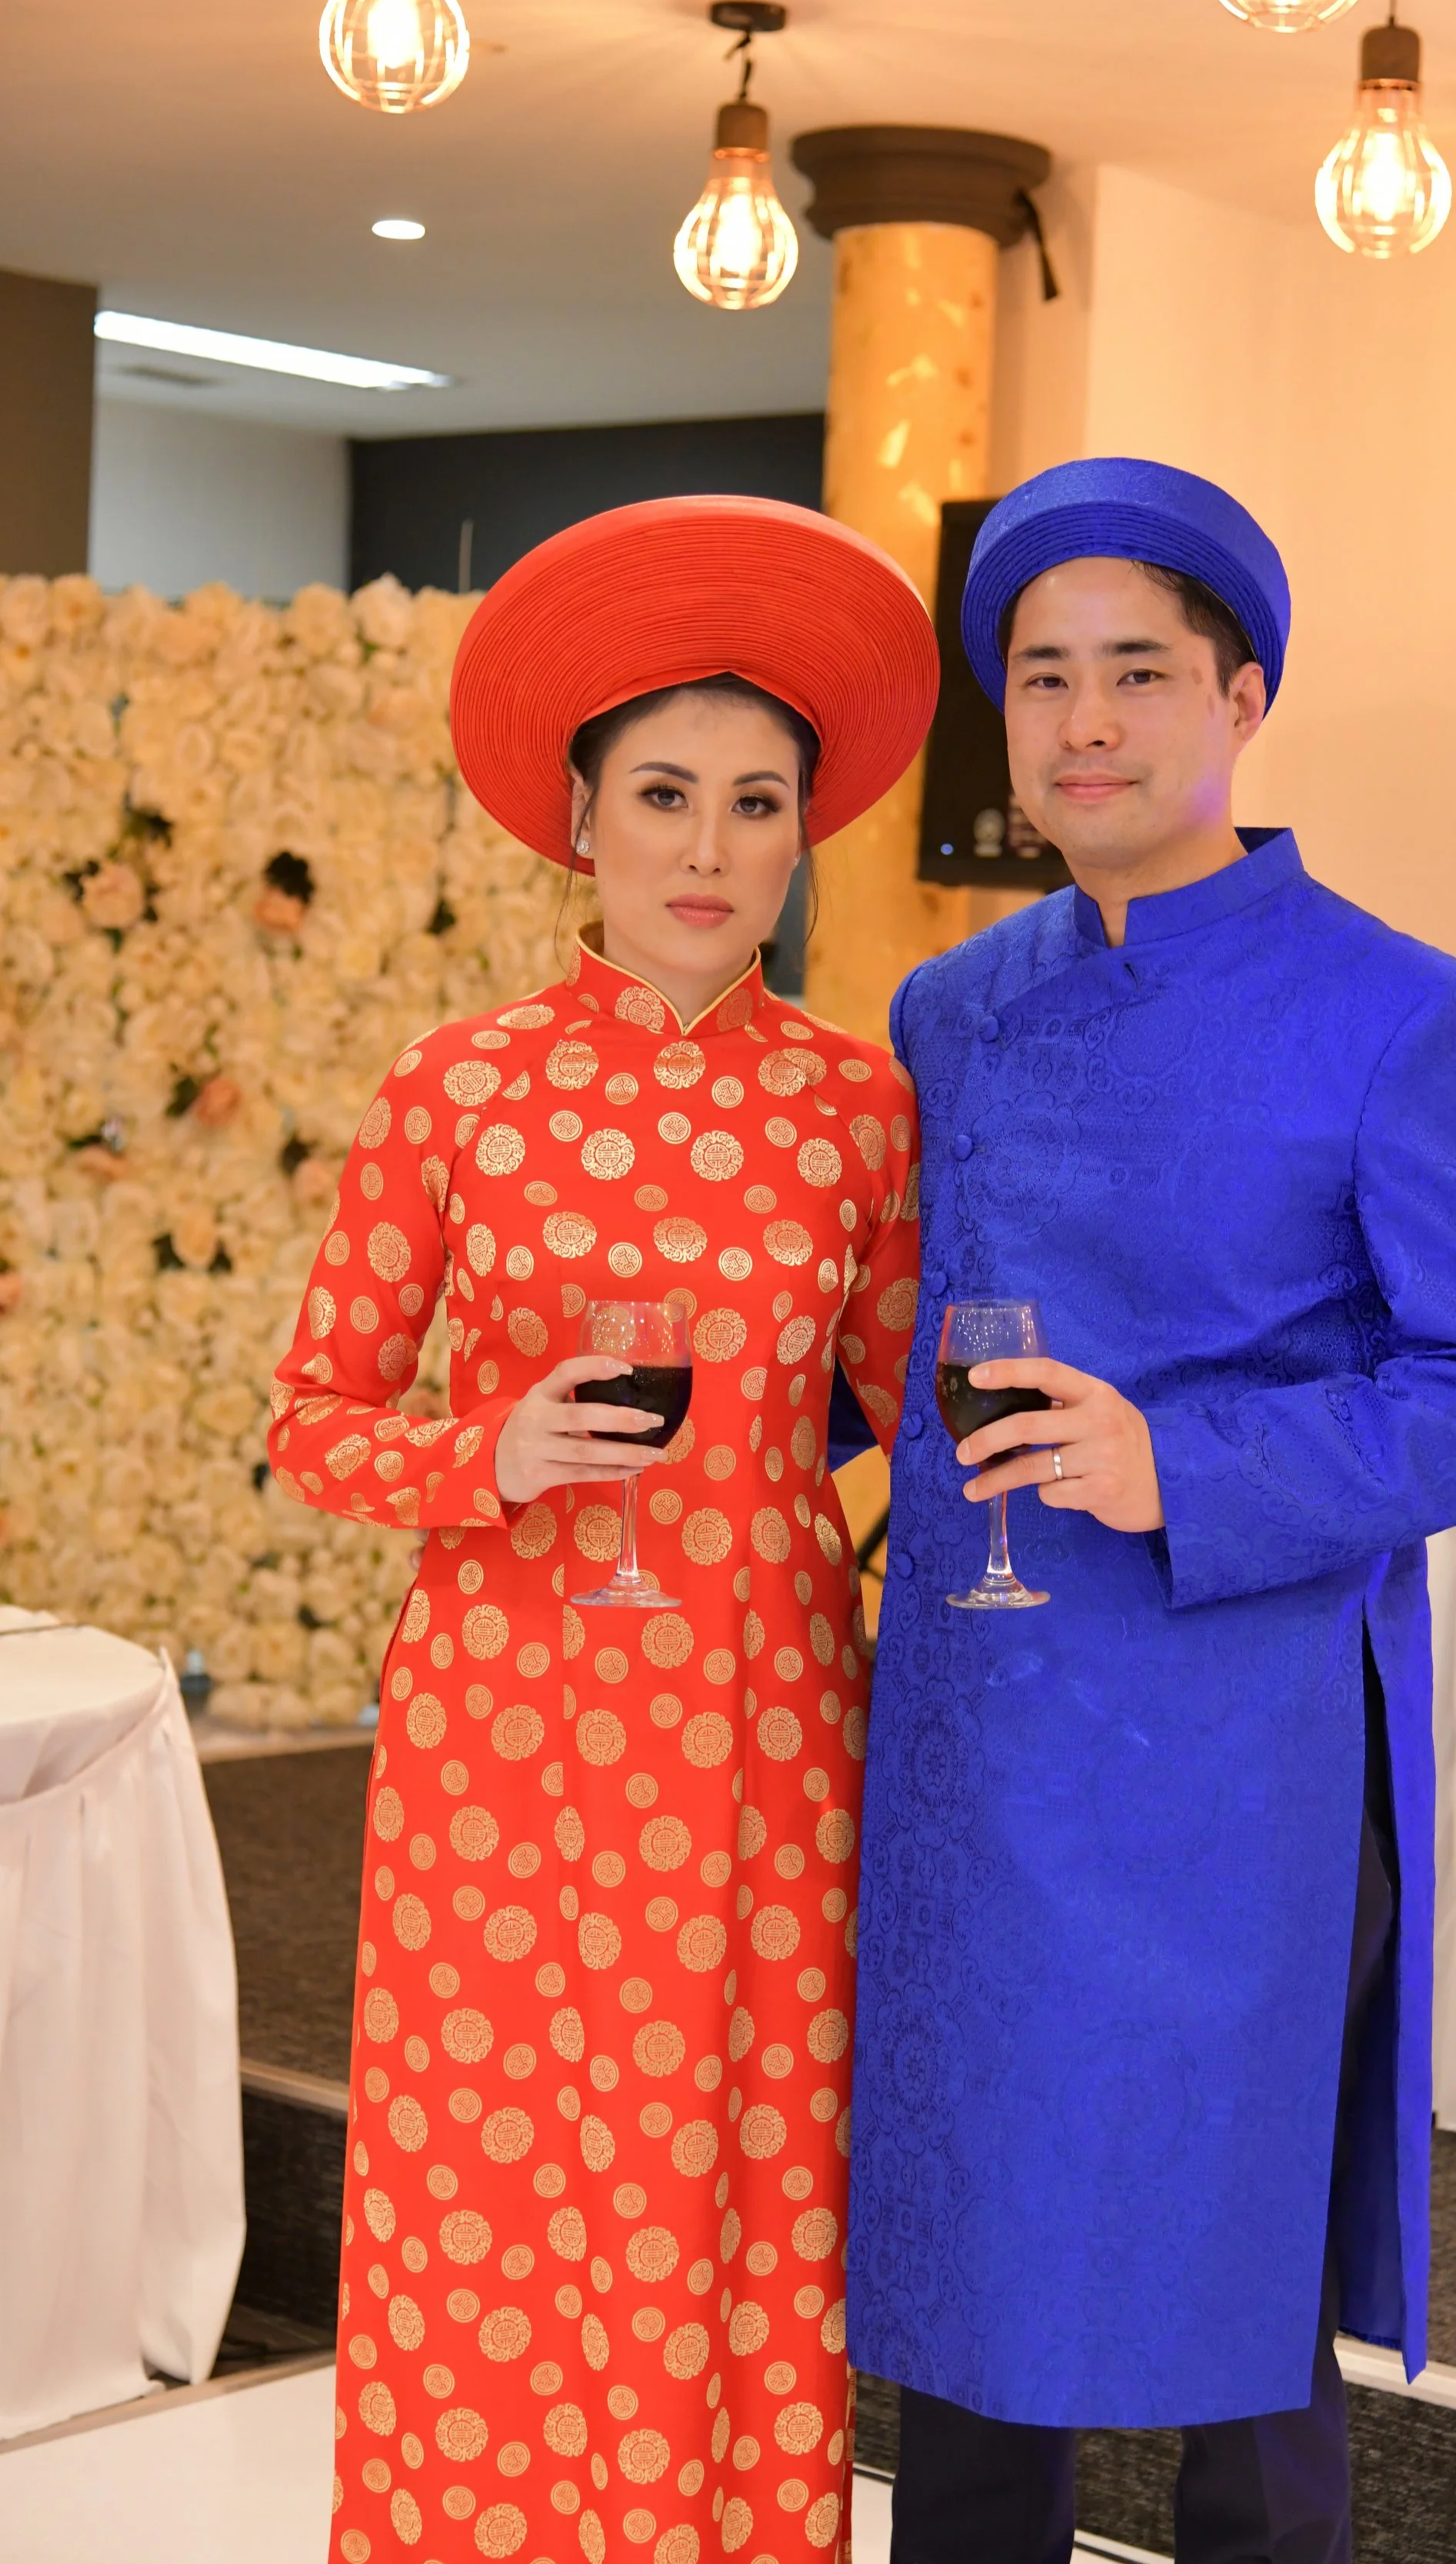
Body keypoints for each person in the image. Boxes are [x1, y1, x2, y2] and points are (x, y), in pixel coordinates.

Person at [846, 456, 1456, 2563]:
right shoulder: (951, 1011)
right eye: (1040, 674)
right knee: (973, 2252)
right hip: (979, 1736)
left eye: (1136, 673)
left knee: (1230, 2269)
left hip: (1241, 1760)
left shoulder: (1400, 1014)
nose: (1083, 721)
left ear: (1239, 695)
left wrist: (1187, 1463)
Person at [268, 495, 936, 2564]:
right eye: (665, 793)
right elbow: (313, 1424)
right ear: (579, 812)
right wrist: (490, 1453)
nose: (710, 845)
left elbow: (929, 1391)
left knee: (732, 2179)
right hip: (505, 1737)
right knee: (499, 2174)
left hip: (758, 1729)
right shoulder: (456, 1090)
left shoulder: (857, 1106)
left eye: (755, 800)